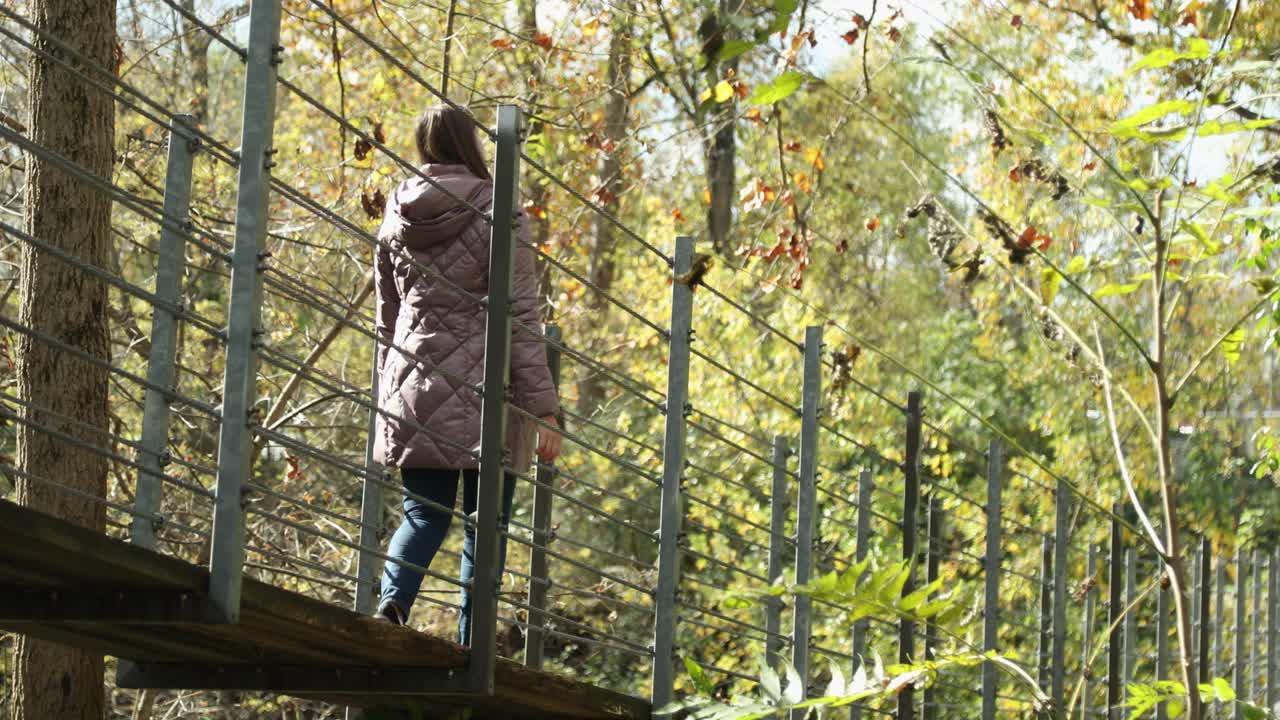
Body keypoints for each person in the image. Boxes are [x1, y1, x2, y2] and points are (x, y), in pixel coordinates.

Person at [371, 105, 562, 644]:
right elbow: (522, 315)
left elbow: (387, 316)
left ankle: (391, 606)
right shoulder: (499, 210)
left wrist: (389, 394)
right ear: (472, 144)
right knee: (486, 525)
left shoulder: (395, 212)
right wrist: (543, 407)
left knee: (423, 515)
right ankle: (473, 644)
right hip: (487, 389)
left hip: (413, 381)